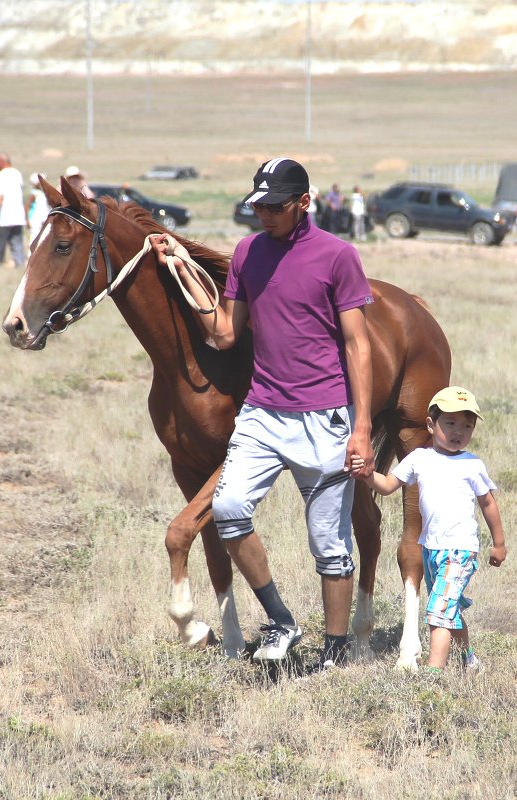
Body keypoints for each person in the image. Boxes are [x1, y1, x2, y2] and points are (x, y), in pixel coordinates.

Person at [150, 157, 375, 669]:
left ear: (304, 202)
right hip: (263, 415)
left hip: (324, 419)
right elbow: (226, 332)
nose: (265, 215)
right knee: (228, 509)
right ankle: (281, 619)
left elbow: (358, 345)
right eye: (259, 206)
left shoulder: (338, 256)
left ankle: (335, 654)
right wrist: (183, 266)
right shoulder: (248, 252)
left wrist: (360, 427)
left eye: (275, 206)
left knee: (330, 547)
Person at [351, 386, 507, 672]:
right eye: (450, 423)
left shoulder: (472, 465)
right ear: (430, 424)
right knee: (450, 609)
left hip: (460, 550)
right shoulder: (418, 459)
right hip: (431, 549)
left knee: (438, 613)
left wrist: (498, 543)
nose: (459, 431)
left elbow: (488, 504)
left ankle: (434, 673)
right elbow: (387, 486)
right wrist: (366, 474)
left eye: (467, 426)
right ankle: (468, 659)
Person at [0, 153, 27, 268]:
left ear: (2, 162)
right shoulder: (17, 174)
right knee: (17, 244)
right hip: (18, 216)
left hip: (4, 217)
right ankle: (20, 265)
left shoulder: (1, 175)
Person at [25, 172, 50, 253]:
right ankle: (31, 254)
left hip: (44, 218)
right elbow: (27, 207)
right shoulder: (34, 194)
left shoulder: (44, 193)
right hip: (35, 219)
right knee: (34, 236)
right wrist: (27, 220)